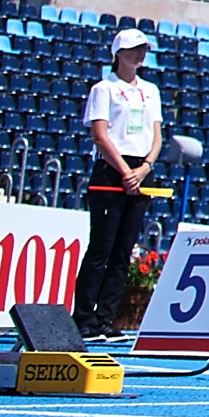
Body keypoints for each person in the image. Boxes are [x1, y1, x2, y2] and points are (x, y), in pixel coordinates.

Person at [73, 29, 163, 335]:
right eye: (134, 49)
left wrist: (145, 167)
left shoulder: (150, 90)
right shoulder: (104, 88)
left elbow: (157, 134)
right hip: (113, 168)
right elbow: (100, 134)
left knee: (124, 249)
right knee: (102, 246)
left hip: (141, 170)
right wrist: (125, 170)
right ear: (119, 53)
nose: (140, 55)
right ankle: (84, 316)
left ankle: (107, 318)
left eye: (143, 49)